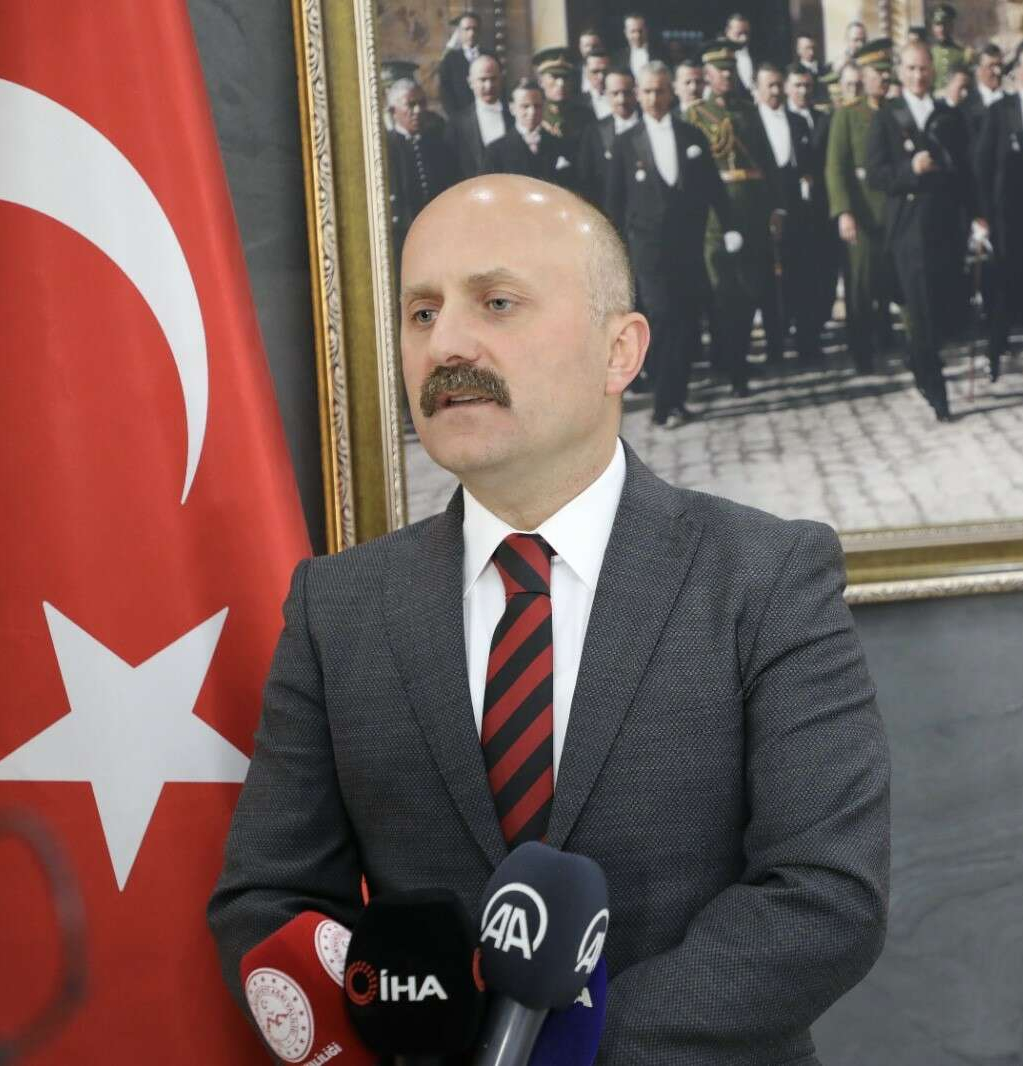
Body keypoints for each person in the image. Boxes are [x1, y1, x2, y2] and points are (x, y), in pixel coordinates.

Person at [208, 170, 891, 1063]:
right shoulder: (337, 607)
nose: (445, 343)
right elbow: (269, 901)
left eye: (496, 302)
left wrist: (566, 1049)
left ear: (619, 351)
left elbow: (825, 896)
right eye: (421, 313)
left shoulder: (765, 577)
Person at [606, 61, 740, 426]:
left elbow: (714, 187)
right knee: (663, 319)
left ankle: (676, 398)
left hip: (688, 246)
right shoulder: (625, 143)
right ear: (639, 94)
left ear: (671, 93)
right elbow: (614, 203)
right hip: (647, 251)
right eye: (648, 91)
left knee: (686, 322)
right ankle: (664, 404)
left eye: (661, 91)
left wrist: (730, 226)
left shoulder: (691, 136)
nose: (654, 98)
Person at [867, 41, 982, 421]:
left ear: (933, 71)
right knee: (922, 312)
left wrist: (977, 215)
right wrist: (909, 171)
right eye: (911, 69)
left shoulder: (948, 115)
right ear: (901, 72)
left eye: (923, 69)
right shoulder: (887, 116)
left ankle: (917, 357)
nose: (918, 76)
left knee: (946, 308)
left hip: (945, 225)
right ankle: (937, 392)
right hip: (909, 229)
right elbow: (876, 174)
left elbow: (966, 170)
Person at [689, 40, 786, 394]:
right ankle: (726, 361)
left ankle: (739, 364)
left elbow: (768, 163)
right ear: (707, 75)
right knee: (721, 293)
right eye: (720, 70)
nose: (726, 75)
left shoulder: (749, 111)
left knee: (747, 292)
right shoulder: (695, 115)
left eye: (731, 69)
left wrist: (776, 208)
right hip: (714, 219)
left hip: (752, 214)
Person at [826, 38, 897, 373]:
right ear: (864, 76)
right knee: (861, 286)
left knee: (892, 280)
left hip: (895, 211)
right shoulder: (848, 115)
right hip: (863, 212)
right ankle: (861, 350)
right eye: (876, 73)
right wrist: (844, 211)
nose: (883, 79)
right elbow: (836, 167)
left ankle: (890, 339)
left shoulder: (896, 112)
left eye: (886, 72)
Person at [974, 40, 1023, 380]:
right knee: (1007, 286)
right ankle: (994, 352)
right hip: (1010, 217)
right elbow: (981, 165)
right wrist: (982, 214)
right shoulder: (1001, 111)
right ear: (1017, 73)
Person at [756, 64, 820, 364]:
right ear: (757, 89)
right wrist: (770, 209)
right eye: (768, 85)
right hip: (763, 211)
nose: (775, 91)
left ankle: (807, 343)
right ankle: (775, 346)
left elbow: (807, 165)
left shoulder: (797, 122)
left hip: (798, 211)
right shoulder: (750, 124)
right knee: (769, 283)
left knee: (802, 278)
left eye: (778, 84)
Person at [787, 63, 840, 334]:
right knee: (798, 269)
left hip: (822, 203)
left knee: (826, 264)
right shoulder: (781, 120)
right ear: (788, 87)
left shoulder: (824, 119)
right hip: (793, 207)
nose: (803, 91)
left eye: (807, 86)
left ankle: (820, 318)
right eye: (797, 85)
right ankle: (799, 322)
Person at [385, 80, 456, 281]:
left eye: (422, 104)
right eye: (410, 105)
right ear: (394, 111)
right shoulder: (386, 147)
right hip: (401, 238)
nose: (418, 110)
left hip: (436, 235)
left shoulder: (436, 143)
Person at [484, 78, 576, 189]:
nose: (532, 112)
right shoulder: (495, 151)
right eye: (525, 106)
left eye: (537, 106)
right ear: (512, 108)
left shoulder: (561, 145)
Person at [576, 66, 638, 208]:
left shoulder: (650, 128)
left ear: (636, 93)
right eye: (615, 93)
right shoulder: (593, 132)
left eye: (627, 93)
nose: (622, 100)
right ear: (606, 95)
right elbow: (586, 181)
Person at [447, 53, 512, 180]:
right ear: (470, 82)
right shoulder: (457, 124)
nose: (489, 85)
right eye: (483, 79)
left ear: (501, 79)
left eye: (493, 79)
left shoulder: (514, 116)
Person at [534, 47, 593, 158]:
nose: (561, 83)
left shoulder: (585, 116)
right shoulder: (535, 115)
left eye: (565, 77)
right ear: (541, 81)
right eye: (554, 77)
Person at [439, 11, 481, 117]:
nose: (471, 33)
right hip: (460, 116)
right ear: (460, 32)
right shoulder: (450, 59)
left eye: (475, 29)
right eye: (467, 29)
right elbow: (445, 91)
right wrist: (455, 117)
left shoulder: (489, 56)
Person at [962, 44, 1006, 142]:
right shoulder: (966, 103)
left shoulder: (1012, 102)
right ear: (978, 70)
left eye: (999, 65)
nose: (998, 71)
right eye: (991, 66)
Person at [929, 3, 974, 93]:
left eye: (945, 25)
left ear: (951, 26)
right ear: (932, 28)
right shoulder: (929, 53)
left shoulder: (963, 53)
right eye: (938, 25)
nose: (941, 29)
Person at [613, 12, 664, 82]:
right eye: (633, 31)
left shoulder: (660, 54)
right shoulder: (618, 57)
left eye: (640, 31)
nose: (637, 36)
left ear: (646, 30)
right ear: (626, 33)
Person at [725, 12, 758, 96]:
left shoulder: (758, 55)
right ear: (727, 32)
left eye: (746, 33)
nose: (744, 38)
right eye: (738, 34)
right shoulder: (722, 57)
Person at [795, 33, 832, 104]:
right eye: (807, 48)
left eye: (813, 48)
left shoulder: (826, 70)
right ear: (798, 50)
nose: (811, 52)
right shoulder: (794, 73)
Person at [580, 48, 613, 119]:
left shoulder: (626, 99)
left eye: (605, 71)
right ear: (586, 73)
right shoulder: (578, 104)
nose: (601, 77)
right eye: (595, 72)